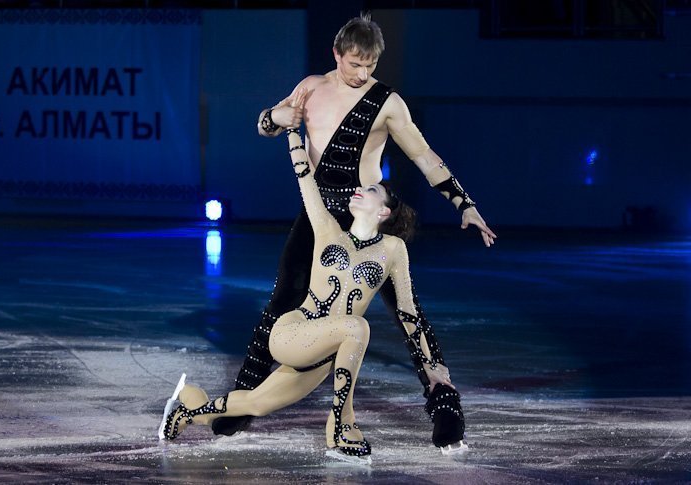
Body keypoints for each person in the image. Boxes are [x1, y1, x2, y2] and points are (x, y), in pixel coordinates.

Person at [213, 13, 496, 450]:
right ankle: (244, 403)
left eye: (370, 67)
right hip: (317, 213)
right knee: (283, 297)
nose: (363, 75)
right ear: (336, 54)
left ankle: (444, 403)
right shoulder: (311, 86)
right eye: (354, 65)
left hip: (362, 213)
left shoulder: (387, 102)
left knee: (405, 310)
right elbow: (265, 125)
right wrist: (276, 114)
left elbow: (425, 157)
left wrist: (465, 204)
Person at [161, 119, 457, 464]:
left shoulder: (393, 250)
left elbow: (408, 311)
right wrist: (291, 134)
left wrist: (430, 364)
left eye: (372, 190)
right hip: (293, 332)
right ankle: (341, 424)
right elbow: (306, 180)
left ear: (384, 211)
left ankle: (189, 410)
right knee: (358, 326)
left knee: (256, 402)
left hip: (326, 354)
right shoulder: (329, 229)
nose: (361, 189)